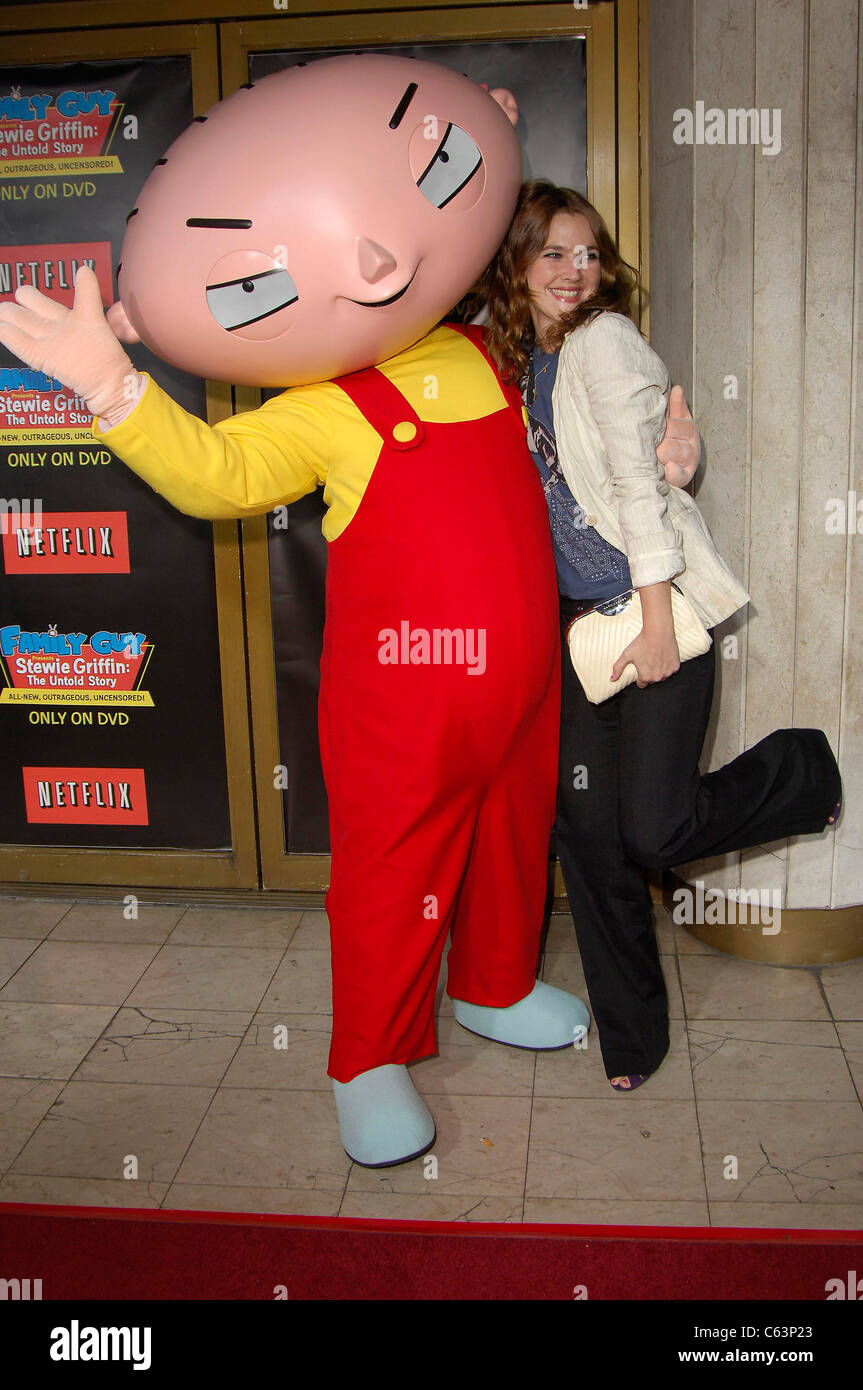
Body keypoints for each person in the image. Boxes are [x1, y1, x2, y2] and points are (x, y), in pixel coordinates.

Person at [479, 180, 842, 1092]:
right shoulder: (516, 361)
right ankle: (632, 1039)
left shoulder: (602, 341)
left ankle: (805, 773)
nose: (575, 271)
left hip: (653, 614)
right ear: (516, 265)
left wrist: (652, 623)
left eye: (587, 253)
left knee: (653, 827)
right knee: (589, 838)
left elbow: (643, 493)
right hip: (574, 636)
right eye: (553, 253)